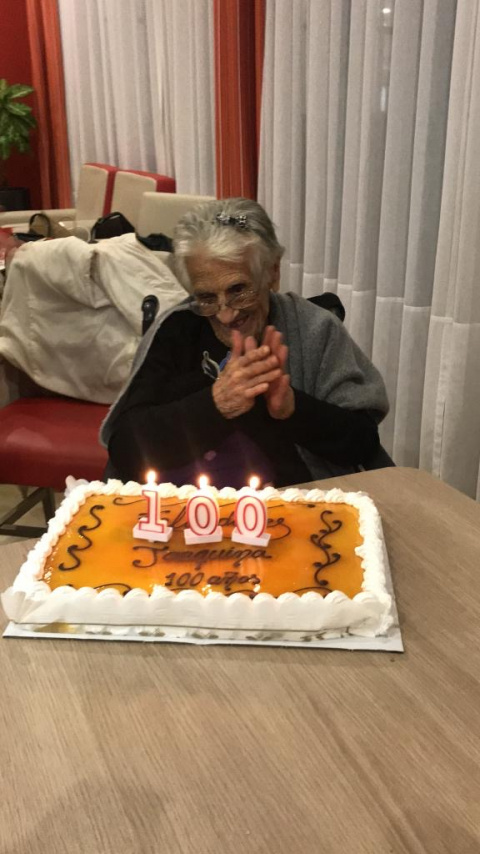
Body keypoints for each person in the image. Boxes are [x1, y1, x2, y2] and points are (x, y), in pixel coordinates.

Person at [102, 198, 390, 489]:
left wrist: (292, 408)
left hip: (295, 514)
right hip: (187, 518)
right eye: (206, 297)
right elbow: (126, 450)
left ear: (272, 274)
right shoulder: (176, 331)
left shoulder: (316, 329)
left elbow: (363, 446)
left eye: (238, 290)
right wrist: (216, 404)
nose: (226, 314)